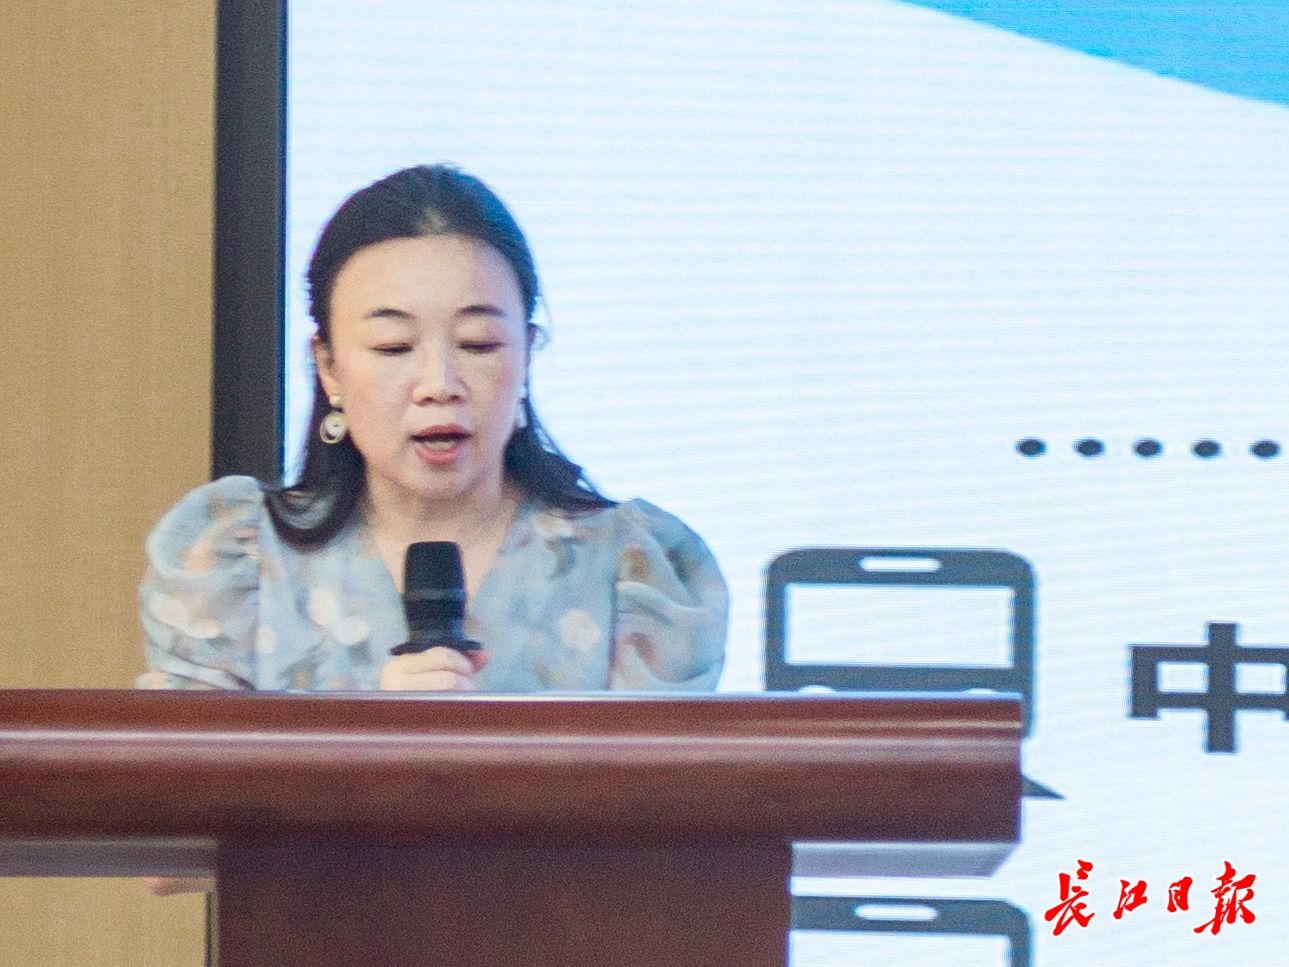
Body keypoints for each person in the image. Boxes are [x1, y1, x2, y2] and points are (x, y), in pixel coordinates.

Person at [138, 163, 728, 698]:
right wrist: (369, 744)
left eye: (478, 344)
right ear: (329, 367)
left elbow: (658, 781)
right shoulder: (235, 561)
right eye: (393, 347)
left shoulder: (632, 571)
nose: (439, 384)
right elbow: (189, 776)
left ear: (526, 355)